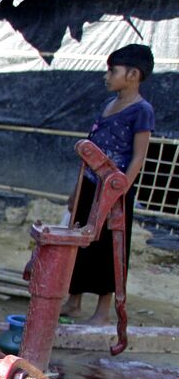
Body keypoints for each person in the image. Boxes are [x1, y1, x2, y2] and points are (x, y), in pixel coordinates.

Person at [61, 43, 155, 326]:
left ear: (133, 74)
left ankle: (102, 311)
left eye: (112, 70)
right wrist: (76, 191)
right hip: (90, 184)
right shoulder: (108, 105)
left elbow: (139, 156)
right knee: (79, 241)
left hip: (114, 190)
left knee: (109, 249)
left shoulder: (142, 111)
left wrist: (120, 190)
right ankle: (73, 301)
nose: (106, 76)